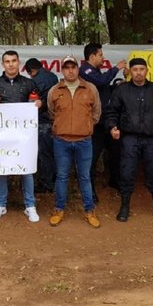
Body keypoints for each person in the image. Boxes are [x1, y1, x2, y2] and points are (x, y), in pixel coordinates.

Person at [104, 58, 153, 223]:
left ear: (147, 71)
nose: (138, 73)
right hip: (130, 138)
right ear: (130, 71)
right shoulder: (122, 91)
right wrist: (112, 127)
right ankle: (125, 206)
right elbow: (111, 112)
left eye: (142, 69)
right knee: (127, 172)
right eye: (135, 69)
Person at [47, 56, 101, 228]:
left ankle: (89, 210)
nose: (70, 70)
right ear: (62, 70)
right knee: (62, 176)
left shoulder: (90, 88)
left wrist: (85, 126)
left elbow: (96, 113)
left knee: (85, 177)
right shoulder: (54, 90)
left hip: (84, 141)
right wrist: (61, 126)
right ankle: (59, 209)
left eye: (73, 67)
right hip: (61, 141)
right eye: (66, 67)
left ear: (78, 69)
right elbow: (51, 112)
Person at [0, 50, 42, 223]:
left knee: (26, 169)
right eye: (7, 61)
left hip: (23, 136)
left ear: (19, 63)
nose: (10, 64)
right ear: (2, 64)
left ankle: (30, 205)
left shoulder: (29, 83)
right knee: (1, 168)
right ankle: (0, 204)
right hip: (2, 136)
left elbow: (37, 105)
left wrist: (39, 104)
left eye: (13, 61)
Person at [79, 43, 126, 201]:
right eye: (100, 55)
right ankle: (89, 189)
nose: (103, 57)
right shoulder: (85, 70)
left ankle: (115, 180)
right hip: (95, 122)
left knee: (115, 151)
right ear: (92, 56)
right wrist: (116, 68)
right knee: (92, 156)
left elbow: (104, 88)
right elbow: (100, 81)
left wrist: (118, 86)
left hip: (108, 119)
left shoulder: (96, 71)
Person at [24, 58, 58, 193]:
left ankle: (46, 183)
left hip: (42, 120)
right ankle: (53, 179)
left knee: (44, 154)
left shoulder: (34, 82)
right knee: (51, 152)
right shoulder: (54, 77)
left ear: (31, 71)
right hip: (53, 119)